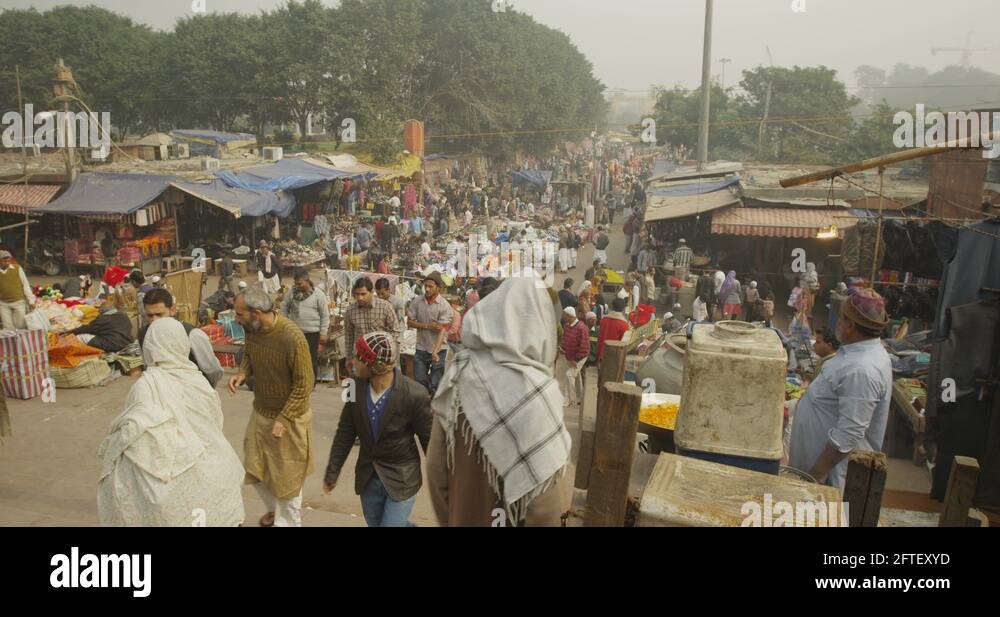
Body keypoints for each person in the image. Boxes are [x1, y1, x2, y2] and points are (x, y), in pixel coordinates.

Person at [427, 275, 571, 526]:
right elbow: (544, 505)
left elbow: (435, 470)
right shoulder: (537, 394)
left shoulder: (460, 374)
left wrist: (454, 519)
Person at [98, 318, 245, 526]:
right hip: (217, 470)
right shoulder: (199, 381)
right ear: (182, 344)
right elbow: (214, 423)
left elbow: (134, 434)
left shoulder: (146, 384)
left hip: (167, 479)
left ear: (149, 346)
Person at [324, 332, 432, 527]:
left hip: (402, 477)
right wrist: (333, 471)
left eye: (359, 358)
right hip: (368, 478)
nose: (353, 362)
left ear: (375, 365)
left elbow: (429, 441)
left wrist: (444, 483)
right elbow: (345, 432)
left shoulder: (414, 394)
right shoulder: (355, 389)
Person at [229, 286, 315, 527]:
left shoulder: (292, 338)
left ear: (256, 313)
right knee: (255, 469)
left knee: (288, 479)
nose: (236, 319)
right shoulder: (252, 330)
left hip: (291, 418)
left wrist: (284, 418)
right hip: (262, 412)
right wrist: (242, 372)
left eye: (239, 314)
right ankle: (276, 513)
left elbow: (304, 385)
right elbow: (249, 353)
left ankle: (287, 523)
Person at [789, 289, 892, 489]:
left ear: (850, 326)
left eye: (841, 318)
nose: (837, 322)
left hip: (829, 478)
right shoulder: (854, 355)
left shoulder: (861, 369)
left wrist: (817, 475)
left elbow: (849, 433)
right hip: (816, 475)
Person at [140, 288, 225, 388]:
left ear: (172, 310)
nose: (154, 320)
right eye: (150, 315)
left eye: (159, 315)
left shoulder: (192, 334)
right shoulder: (143, 335)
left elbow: (212, 370)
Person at [407, 272, 453, 395]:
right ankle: (423, 405)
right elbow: (409, 322)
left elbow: (443, 331)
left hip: (439, 350)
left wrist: (435, 351)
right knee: (419, 382)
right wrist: (427, 325)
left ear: (438, 287)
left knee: (435, 384)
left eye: (430, 286)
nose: (427, 289)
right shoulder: (417, 301)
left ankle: (432, 408)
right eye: (425, 285)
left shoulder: (444, 306)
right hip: (421, 347)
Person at [281, 270, 330, 381]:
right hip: (295, 332)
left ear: (307, 281)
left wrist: (323, 333)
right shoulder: (292, 293)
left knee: (310, 359)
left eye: (300, 283)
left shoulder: (319, 294)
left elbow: (325, 315)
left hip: (313, 333)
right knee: (294, 358)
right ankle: (296, 381)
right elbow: (284, 309)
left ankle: (310, 382)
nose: (297, 286)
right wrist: (284, 324)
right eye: (296, 283)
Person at [344, 277, 400, 374]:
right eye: (357, 294)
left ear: (371, 292)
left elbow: (395, 331)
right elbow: (349, 336)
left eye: (363, 294)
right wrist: (349, 358)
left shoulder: (385, 307)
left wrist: (385, 351)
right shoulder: (350, 311)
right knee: (361, 386)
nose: (360, 298)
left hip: (381, 359)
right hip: (360, 358)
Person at [68, 294, 133, 352]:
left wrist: (70, 332)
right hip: (126, 343)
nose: (99, 314)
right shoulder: (124, 315)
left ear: (102, 311)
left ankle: (78, 353)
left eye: (100, 312)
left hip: (111, 345)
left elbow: (87, 329)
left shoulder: (103, 318)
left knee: (80, 337)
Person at [558, 307, 591, 407]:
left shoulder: (581, 327)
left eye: (564, 315)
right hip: (570, 356)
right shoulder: (567, 325)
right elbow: (566, 339)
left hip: (580, 357)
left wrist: (575, 360)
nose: (563, 317)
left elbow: (584, 347)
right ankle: (579, 398)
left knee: (569, 375)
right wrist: (562, 348)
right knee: (575, 377)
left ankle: (568, 400)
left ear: (569, 316)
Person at [0, 249, 35, 330]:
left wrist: (31, 300)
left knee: (20, 326)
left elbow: (25, 284)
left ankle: (20, 342)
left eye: (8, 260)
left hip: (19, 302)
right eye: (4, 261)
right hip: (3, 303)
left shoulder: (17, 269)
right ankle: (11, 342)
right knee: (8, 328)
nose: (7, 263)